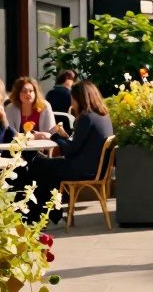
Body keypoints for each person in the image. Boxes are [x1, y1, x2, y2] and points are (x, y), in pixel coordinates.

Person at [29, 81, 114, 224]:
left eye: (72, 98)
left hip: (81, 169)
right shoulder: (102, 116)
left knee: (36, 164)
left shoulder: (86, 118)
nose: (71, 102)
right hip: (94, 168)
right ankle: (53, 214)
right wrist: (64, 137)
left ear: (79, 98)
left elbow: (69, 151)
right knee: (45, 165)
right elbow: (78, 145)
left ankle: (39, 214)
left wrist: (53, 136)